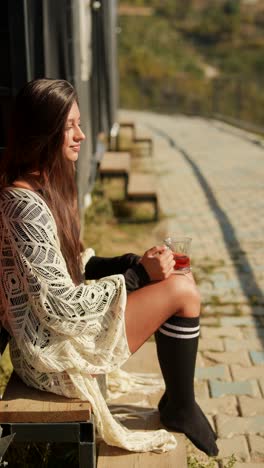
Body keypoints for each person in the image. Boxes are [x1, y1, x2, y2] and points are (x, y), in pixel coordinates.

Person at [0, 78, 218, 456]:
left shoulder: (43, 187)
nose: (81, 135)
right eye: (69, 126)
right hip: (52, 357)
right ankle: (181, 407)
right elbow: (61, 306)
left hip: (54, 340)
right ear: (43, 131)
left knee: (180, 277)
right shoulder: (23, 205)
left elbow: (75, 266)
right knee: (181, 290)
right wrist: (138, 278)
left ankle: (179, 402)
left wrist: (132, 263)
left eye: (78, 123)